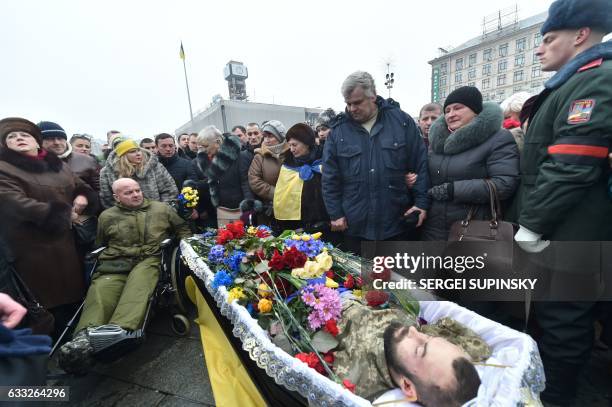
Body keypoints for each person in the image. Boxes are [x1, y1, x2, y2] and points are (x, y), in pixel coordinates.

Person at [512, 0, 612, 403]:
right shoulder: (571, 84)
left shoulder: (595, 81)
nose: (540, 48)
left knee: (563, 329)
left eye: (549, 39)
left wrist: (532, 224)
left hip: (572, 238)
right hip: (563, 234)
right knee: (553, 325)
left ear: (581, 35)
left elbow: (572, 165)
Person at [58, 178, 191, 374]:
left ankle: (120, 330)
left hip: (149, 258)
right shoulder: (107, 216)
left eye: (137, 190)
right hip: (115, 261)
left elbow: (182, 229)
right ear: (116, 197)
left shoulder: (161, 209)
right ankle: (83, 339)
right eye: (128, 192)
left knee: (138, 285)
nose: (136, 194)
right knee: (101, 289)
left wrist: (185, 248)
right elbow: (101, 242)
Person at [0, 117, 97, 338]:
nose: (18, 138)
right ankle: (50, 351)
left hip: (67, 244)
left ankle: (79, 340)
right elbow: (12, 202)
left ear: (36, 142)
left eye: (24, 135)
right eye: (11, 137)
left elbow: (81, 186)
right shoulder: (4, 168)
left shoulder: (58, 165)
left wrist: (83, 197)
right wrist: (63, 215)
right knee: (44, 304)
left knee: (74, 296)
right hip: (31, 247)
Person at [322, 71, 429, 252]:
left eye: (357, 103)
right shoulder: (338, 132)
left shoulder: (401, 122)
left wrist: (421, 203)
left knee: (395, 278)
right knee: (360, 279)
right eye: (348, 104)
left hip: (396, 223)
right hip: (355, 227)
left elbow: (420, 164)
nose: (352, 109)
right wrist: (335, 214)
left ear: (372, 96)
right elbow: (330, 178)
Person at [332, 299, 487, 404]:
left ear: (407, 386)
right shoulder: (435, 356)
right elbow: (481, 348)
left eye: (419, 349)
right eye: (427, 337)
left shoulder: (351, 378)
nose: (414, 331)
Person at [422, 86, 519, 241]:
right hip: (433, 228)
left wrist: (454, 190)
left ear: (475, 110)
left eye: (458, 108)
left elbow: (504, 184)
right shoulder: (437, 142)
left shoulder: (498, 138)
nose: (451, 114)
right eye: (447, 110)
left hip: (473, 229)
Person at [272, 123, 331, 235]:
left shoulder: (325, 160)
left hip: (324, 224)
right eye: (289, 145)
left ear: (307, 143)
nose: (292, 149)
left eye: (295, 145)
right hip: (296, 225)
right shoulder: (287, 165)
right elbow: (282, 197)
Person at [99, 138, 177, 209]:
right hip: (126, 218)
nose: (138, 154)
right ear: (123, 155)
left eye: (138, 150)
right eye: (132, 152)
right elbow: (107, 199)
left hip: (157, 214)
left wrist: (163, 210)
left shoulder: (154, 166)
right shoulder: (108, 172)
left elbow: (170, 190)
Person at [198, 126, 254, 225]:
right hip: (222, 210)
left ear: (218, 142)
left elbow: (245, 183)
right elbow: (213, 181)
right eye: (201, 147)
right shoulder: (211, 160)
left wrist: (248, 207)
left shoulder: (241, 156)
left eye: (206, 146)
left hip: (240, 210)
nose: (204, 150)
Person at [38, 121, 101, 192]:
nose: (57, 142)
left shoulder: (87, 160)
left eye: (60, 138)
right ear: (39, 142)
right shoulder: (31, 162)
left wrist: (86, 198)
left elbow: (98, 190)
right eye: (50, 139)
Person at [248, 120, 289, 226]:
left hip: (291, 206)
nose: (266, 140)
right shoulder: (259, 156)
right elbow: (254, 180)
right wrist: (275, 193)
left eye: (270, 136)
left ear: (280, 137)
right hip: (269, 209)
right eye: (265, 136)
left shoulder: (291, 153)